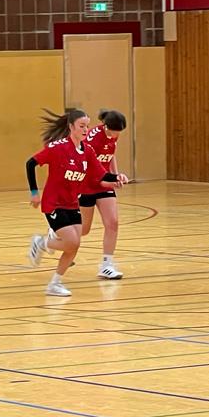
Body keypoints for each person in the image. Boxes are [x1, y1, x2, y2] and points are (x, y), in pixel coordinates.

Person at [26, 109, 120, 297]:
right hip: (54, 203)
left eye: (87, 126)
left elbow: (101, 174)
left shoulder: (88, 151)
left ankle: (54, 284)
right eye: (81, 126)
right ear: (71, 127)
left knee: (74, 245)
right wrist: (35, 193)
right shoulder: (57, 148)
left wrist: (117, 177)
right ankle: (41, 242)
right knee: (72, 241)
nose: (86, 130)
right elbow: (30, 163)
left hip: (72, 203)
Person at [80, 109, 129, 280]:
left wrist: (116, 175)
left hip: (104, 183)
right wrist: (109, 181)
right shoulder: (92, 140)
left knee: (112, 223)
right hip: (87, 183)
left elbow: (110, 154)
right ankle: (54, 234)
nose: (117, 135)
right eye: (115, 131)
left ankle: (106, 265)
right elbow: (89, 170)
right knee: (83, 229)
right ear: (106, 126)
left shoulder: (113, 135)